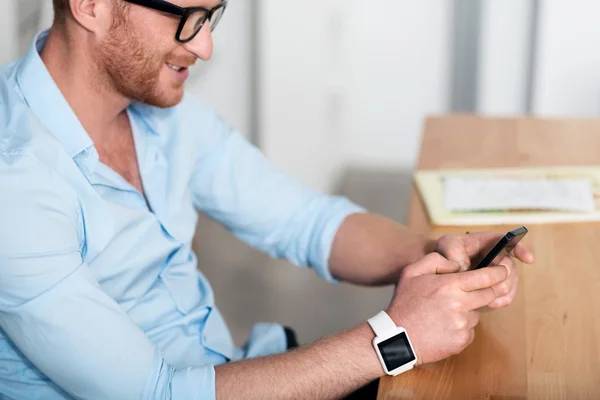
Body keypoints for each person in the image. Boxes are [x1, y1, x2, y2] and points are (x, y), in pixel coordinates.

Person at [0, 1, 534, 399]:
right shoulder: (17, 188)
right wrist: (398, 339)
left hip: (232, 372)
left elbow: (306, 222)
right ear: (91, 6)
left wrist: (437, 254)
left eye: (213, 16)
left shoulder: (161, 112)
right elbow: (154, 394)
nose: (205, 46)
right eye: (187, 19)